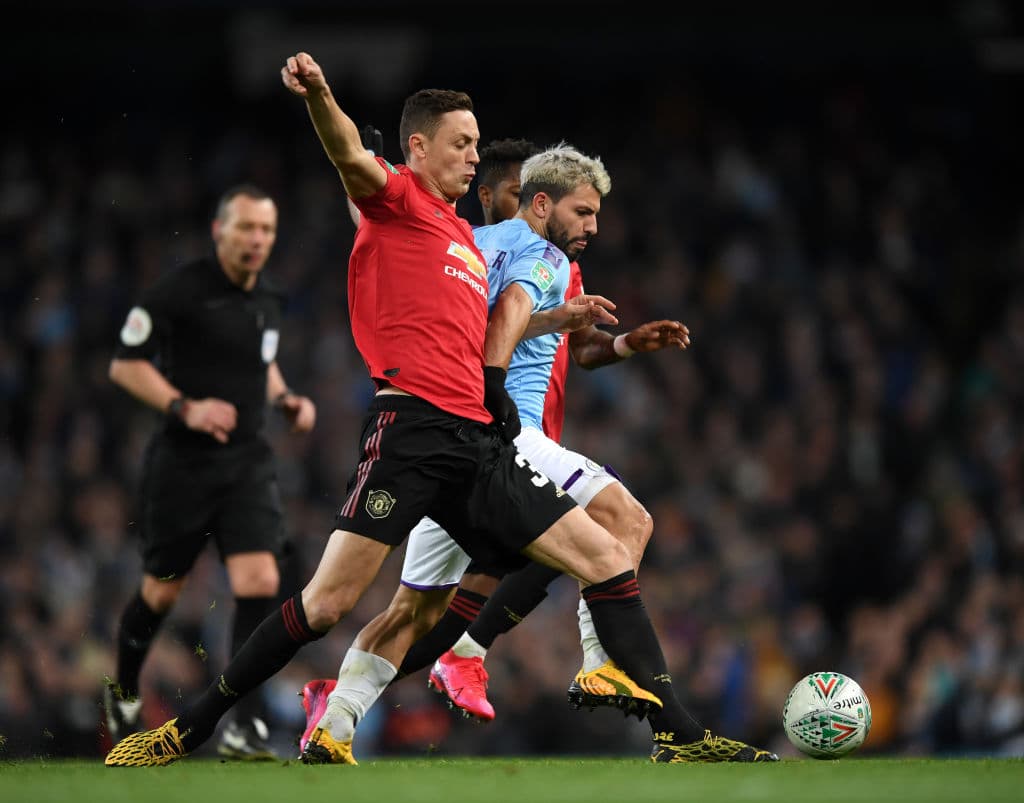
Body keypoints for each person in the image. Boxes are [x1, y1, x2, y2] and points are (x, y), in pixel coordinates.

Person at [104, 51, 777, 768]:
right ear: (417, 147)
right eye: (462, 143)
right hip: (412, 432)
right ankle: (188, 729)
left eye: (477, 143)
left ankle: (678, 733)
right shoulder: (395, 202)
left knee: (608, 556)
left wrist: (569, 324)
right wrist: (320, 96)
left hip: (479, 446)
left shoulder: (463, 239)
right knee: (327, 604)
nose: (474, 156)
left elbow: (497, 323)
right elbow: (347, 155)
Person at [293, 140, 712, 763]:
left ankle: (338, 709)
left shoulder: (459, 249)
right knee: (624, 522)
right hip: (505, 437)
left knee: (416, 611)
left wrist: (621, 345)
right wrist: (496, 391)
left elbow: (561, 339)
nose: (591, 227)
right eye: (582, 212)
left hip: (448, 440)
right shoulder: (535, 253)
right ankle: (592, 664)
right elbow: (510, 318)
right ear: (527, 202)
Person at [103, 184, 317, 761]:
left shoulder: (270, 296)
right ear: (219, 230)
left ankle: (243, 726)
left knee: (260, 583)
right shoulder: (179, 292)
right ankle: (122, 685)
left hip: (246, 461)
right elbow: (125, 366)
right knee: (161, 594)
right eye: (245, 228)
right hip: (183, 464)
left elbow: (261, 358)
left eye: (266, 230)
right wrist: (184, 406)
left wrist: (286, 397)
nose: (256, 240)